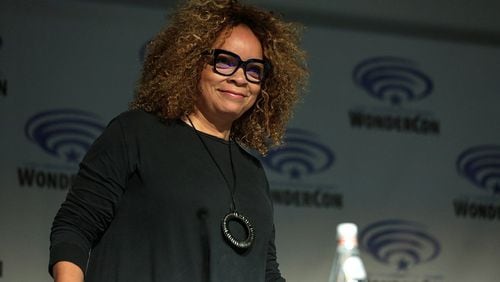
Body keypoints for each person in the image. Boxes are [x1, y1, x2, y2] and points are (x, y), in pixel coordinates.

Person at [48, 0, 308, 281]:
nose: (240, 78)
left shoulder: (253, 172)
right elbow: (75, 227)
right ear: (192, 63)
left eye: (254, 69)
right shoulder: (136, 133)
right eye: (225, 61)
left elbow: (266, 272)